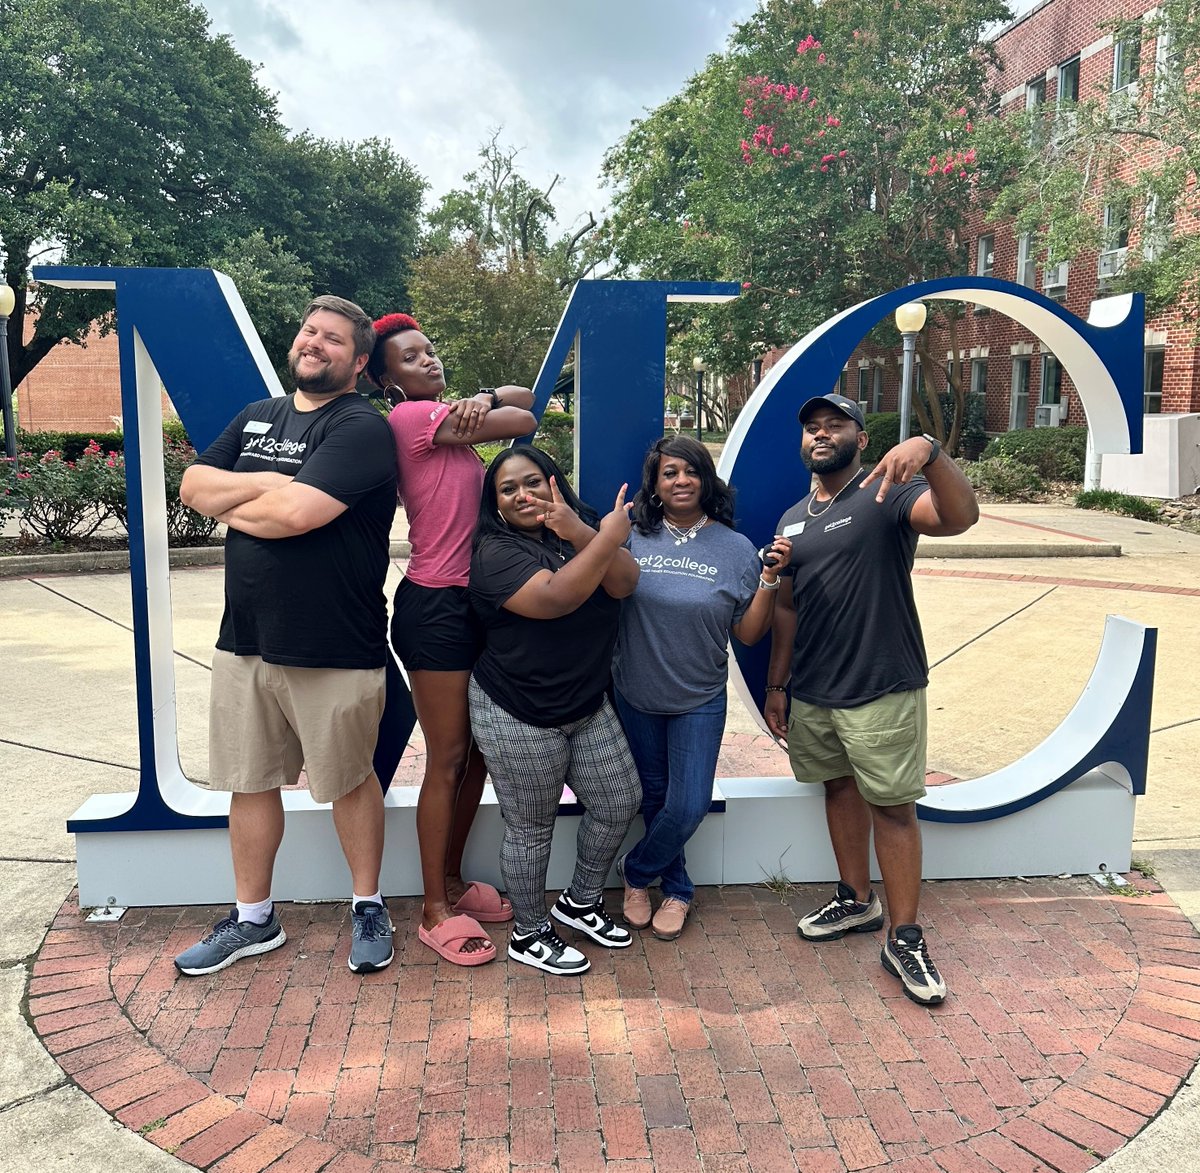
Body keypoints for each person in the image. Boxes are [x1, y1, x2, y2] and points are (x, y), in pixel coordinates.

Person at [174, 295, 398, 976]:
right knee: (248, 781)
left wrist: (242, 497)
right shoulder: (255, 416)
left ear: (358, 361)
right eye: (309, 331)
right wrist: (272, 484)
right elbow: (191, 486)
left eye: (333, 339)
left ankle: (367, 904)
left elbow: (299, 514)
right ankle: (253, 919)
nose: (315, 343)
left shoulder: (362, 427)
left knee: (351, 780)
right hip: (244, 640)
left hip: (333, 643)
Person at [764, 393, 979, 1006]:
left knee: (893, 807)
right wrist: (777, 687)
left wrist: (931, 454)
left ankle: (903, 936)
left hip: (882, 682)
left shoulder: (886, 493)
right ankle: (856, 900)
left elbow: (959, 517)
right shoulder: (792, 518)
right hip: (813, 690)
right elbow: (786, 610)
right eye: (812, 428)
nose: (821, 434)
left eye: (835, 425)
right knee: (838, 789)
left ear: (860, 438)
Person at [366, 312, 537, 967]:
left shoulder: (454, 426)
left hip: (477, 605)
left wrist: (483, 394)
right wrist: (488, 403)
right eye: (411, 359)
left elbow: (527, 397)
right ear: (387, 378)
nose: (428, 362)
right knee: (447, 756)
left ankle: (457, 882)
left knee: (480, 754)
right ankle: (433, 906)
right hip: (435, 605)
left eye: (430, 351)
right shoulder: (413, 420)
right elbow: (523, 421)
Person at [468, 446, 642, 975]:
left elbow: (624, 582)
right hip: (516, 708)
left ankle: (581, 901)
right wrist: (609, 534)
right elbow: (557, 598)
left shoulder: (580, 527)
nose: (523, 495)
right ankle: (529, 931)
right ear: (495, 503)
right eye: (508, 489)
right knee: (530, 826)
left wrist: (586, 532)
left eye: (533, 482)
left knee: (619, 800)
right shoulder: (494, 552)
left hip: (586, 703)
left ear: (554, 482)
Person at [612, 436, 791, 940]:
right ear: (655, 484)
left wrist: (770, 581)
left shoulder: (735, 548)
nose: (681, 481)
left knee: (688, 804)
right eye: (670, 473)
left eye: (691, 471)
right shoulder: (632, 536)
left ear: (705, 479)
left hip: (700, 698)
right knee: (655, 796)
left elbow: (750, 634)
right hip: (635, 691)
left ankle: (637, 871)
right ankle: (677, 888)